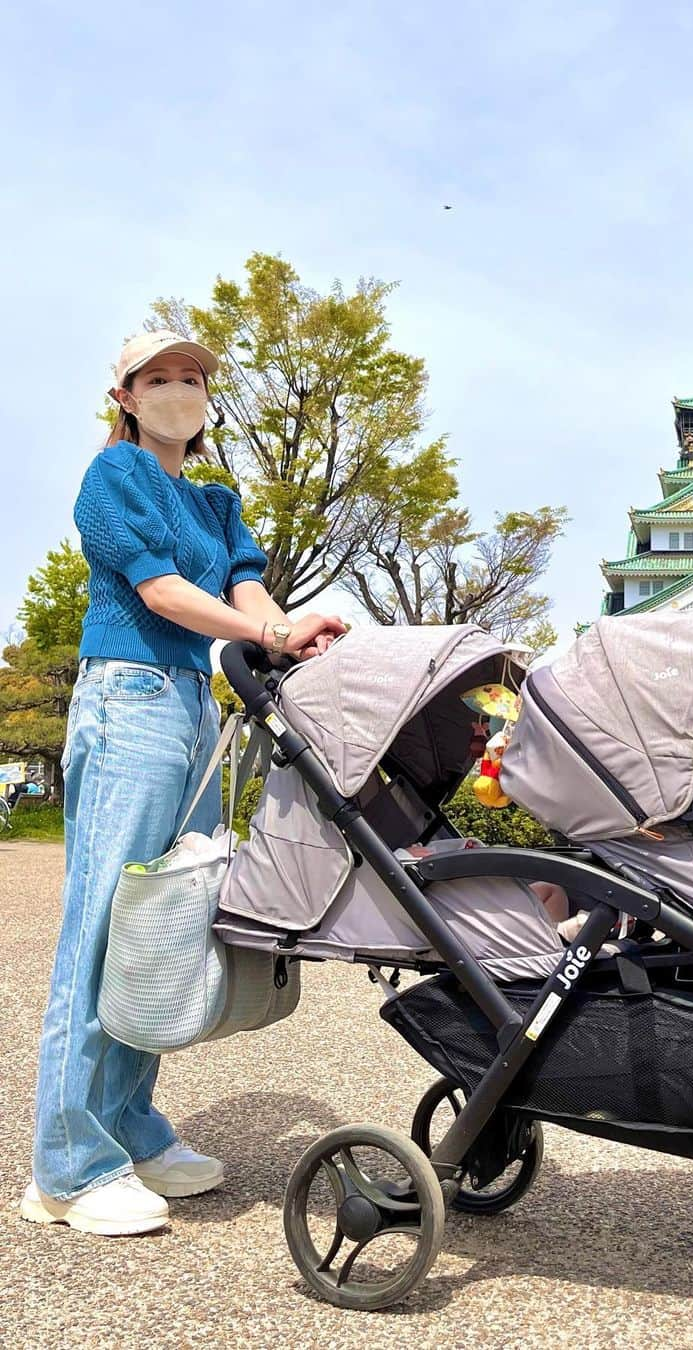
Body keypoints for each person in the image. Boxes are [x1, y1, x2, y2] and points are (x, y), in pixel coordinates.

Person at [21, 331, 347, 1238]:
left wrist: (292, 631)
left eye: (191, 378)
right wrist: (270, 641)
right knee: (102, 924)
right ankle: (67, 1165)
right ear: (123, 393)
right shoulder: (112, 477)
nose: (176, 390)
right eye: (157, 379)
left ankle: (128, 1125)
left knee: (163, 929)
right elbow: (161, 594)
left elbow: (249, 594)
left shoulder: (217, 499)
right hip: (128, 698)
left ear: (208, 396)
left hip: (195, 710)